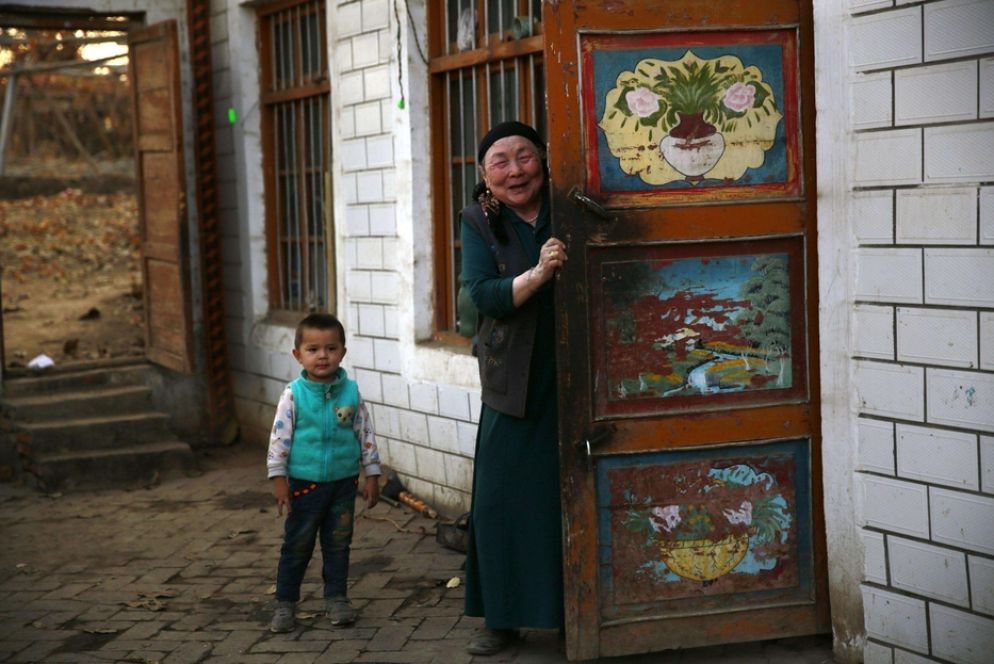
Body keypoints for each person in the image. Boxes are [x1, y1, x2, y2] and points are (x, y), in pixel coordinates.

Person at [459, 121, 568, 655]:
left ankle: (576, 612)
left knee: (565, 493)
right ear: (485, 176)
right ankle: (501, 617)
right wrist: (538, 276)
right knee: (500, 498)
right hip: (513, 376)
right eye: (500, 162)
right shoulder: (480, 221)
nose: (515, 170)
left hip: (577, 368)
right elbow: (485, 295)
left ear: (544, 160)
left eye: (524, 157)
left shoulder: (570, 205)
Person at [265, 312, 381, 633]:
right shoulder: (293, 395)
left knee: (338, 544)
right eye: (313, 349)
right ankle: (286, 604)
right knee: (297, 545)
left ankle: (337, 599)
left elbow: (365, 434)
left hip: (344, 484)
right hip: (304, 485)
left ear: (342, 352)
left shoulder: (352, 392)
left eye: (331, 348)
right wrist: (279, 480)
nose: (322, 356)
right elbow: (279, 438)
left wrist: (372, 474)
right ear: (297, 354)